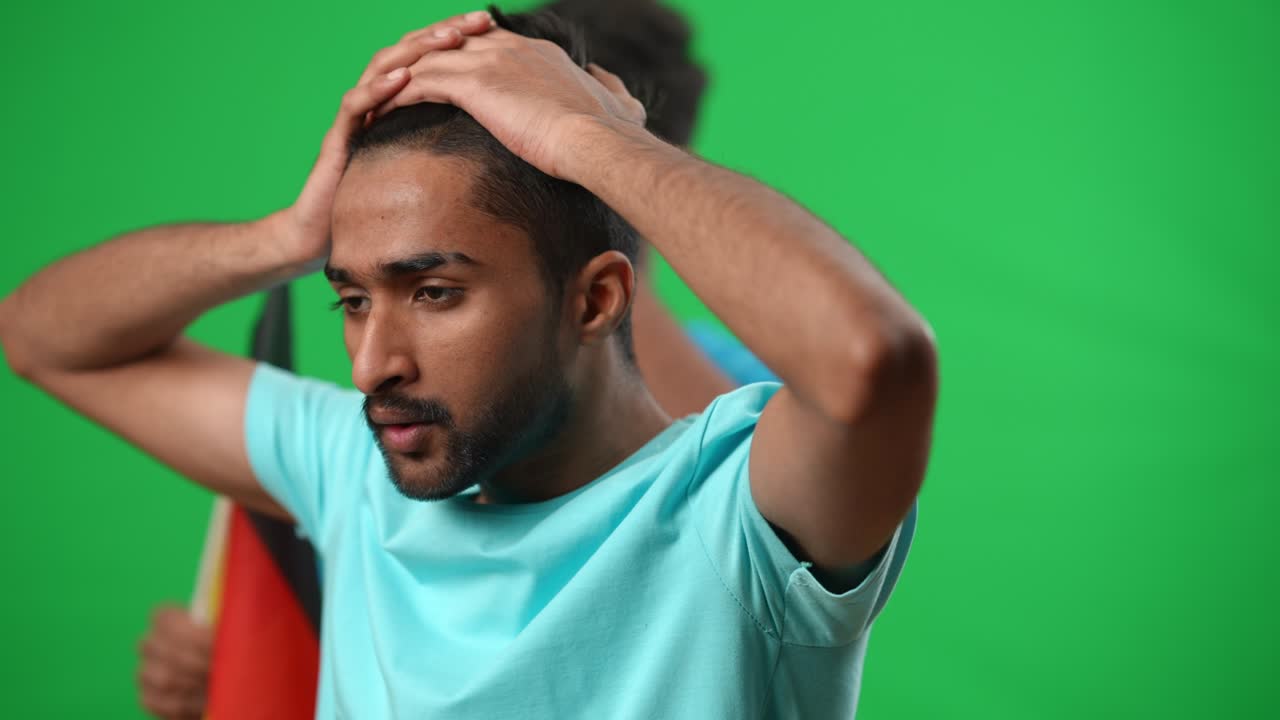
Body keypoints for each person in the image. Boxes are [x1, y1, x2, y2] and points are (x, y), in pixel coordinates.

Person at [0, 4, 937, 718]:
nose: (372, 365)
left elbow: (870, 358)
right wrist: (287, 236)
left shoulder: (739, 517)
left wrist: (590, 138)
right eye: (353, 299)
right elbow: (44, 336)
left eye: (434, 292)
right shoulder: (352, 474)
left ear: (596, 299)